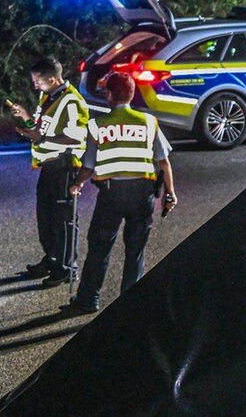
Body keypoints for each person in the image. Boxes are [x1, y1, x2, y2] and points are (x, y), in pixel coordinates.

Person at [62, 72, 177, 315]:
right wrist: (170, 194)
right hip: (143, 195)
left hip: (111, 195)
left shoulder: (97, 126)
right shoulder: (149, 122)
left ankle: (88, 299)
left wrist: (76, 184)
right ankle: (130, 305)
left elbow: (89, 166)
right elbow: (164, 163)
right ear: (132, 94)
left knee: (100, 247)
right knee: (135, 251)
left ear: (110, 95)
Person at [7, 57, 89, 287]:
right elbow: (41, 126)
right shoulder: (48, 96)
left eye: (38, 81)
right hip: (48, 165)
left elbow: (76, 136)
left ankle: (66, 268)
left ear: (52, 79)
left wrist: (42, 138)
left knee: (64, 220)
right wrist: (25, 117)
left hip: (64, 165)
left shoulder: (72, 101)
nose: (35, 86)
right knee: (46, 217)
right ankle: (52, 258)